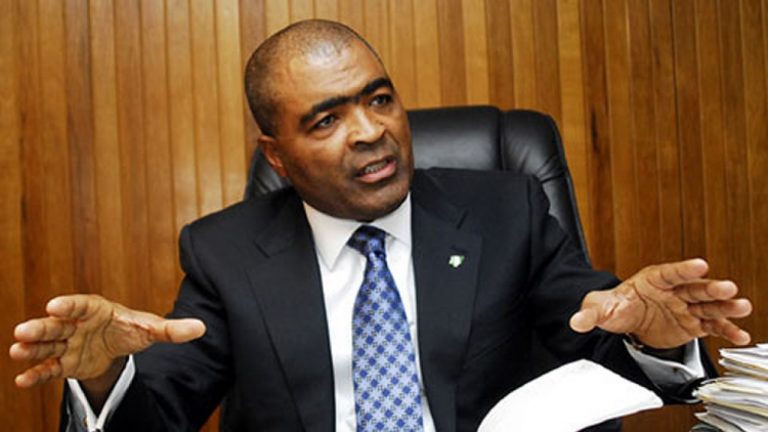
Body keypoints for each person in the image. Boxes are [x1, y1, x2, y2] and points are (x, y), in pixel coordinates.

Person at [10, 20, 752, 432]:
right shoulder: (226, 253)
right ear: (277, 154)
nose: (370, 132)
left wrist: (655, 338)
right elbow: (160, 415)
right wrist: (103, 377)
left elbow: (600, 344)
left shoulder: (507, 212)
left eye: (379, 99)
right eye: (326, 120)